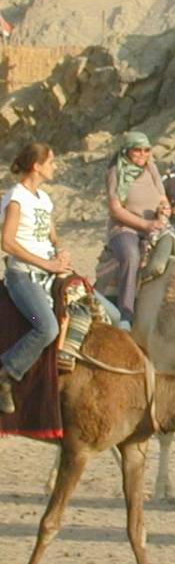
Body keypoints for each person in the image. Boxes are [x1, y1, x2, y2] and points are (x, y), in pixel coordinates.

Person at [0, 143, 71, 414]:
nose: (55, 166)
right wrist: (47, 263)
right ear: (36, 166)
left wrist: (61, 251)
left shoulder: (43, 198)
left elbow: (52, 235)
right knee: (45, 327)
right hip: (23, 278)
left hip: (48, 271)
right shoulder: (16, 197)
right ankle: (8, 373)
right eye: (50, 161)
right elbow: (7, 242)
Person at [104, 131, 170, 326]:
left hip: (156, 227)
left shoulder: (151, 168)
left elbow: (163, 198)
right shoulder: (116, 172)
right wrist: (145, 224)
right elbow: (115, 209)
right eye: (137, 150)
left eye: (146, 150)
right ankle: (126, 314)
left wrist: (164, 210)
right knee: (131, 257)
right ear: (126, 151)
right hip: (126, 228)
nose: (142, 154)